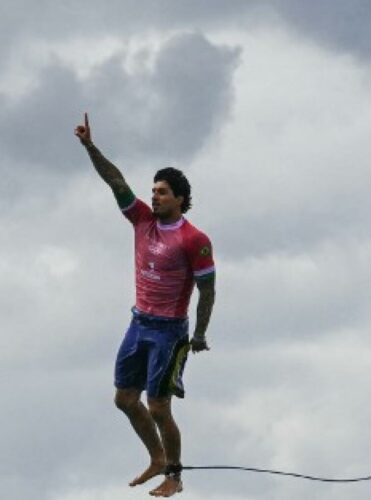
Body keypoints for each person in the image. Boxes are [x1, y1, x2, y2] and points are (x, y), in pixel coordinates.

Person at [75, 113, 216, 497]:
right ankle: (156, 457)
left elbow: (208, 289)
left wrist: (200, 334)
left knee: (158, 406)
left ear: (181, 200)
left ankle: (174, 474)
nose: (154, 196)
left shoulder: (194, 239)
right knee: (124, 399)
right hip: (139, 323)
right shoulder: (141, 220)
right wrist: (90, 147)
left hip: (170, 331)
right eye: (153, 190)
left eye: (162, 192)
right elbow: (115, 181)